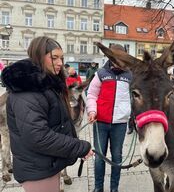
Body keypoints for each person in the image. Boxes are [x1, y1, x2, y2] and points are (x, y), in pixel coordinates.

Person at [1, 36, 94, 192]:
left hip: (48, 163)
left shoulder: (47, 85)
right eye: (54, 57)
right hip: (37, 170)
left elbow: (59, 125)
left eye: (62, 58)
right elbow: (38, 137)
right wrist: (79, 147)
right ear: (38, 57)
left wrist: (76, 149)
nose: (60, 63)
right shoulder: (28, 91)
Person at [86, 44, 132, 192]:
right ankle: (98, 188)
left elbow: (135, 97)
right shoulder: (101, 73)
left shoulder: (130, 75)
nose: (118, 60)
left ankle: (114, 188)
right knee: (99, 157)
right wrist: (92, 111)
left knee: (117, 158)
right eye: (114, 57)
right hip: (100, 122)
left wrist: (132, 115)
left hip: (120, 124)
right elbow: (91, 95)